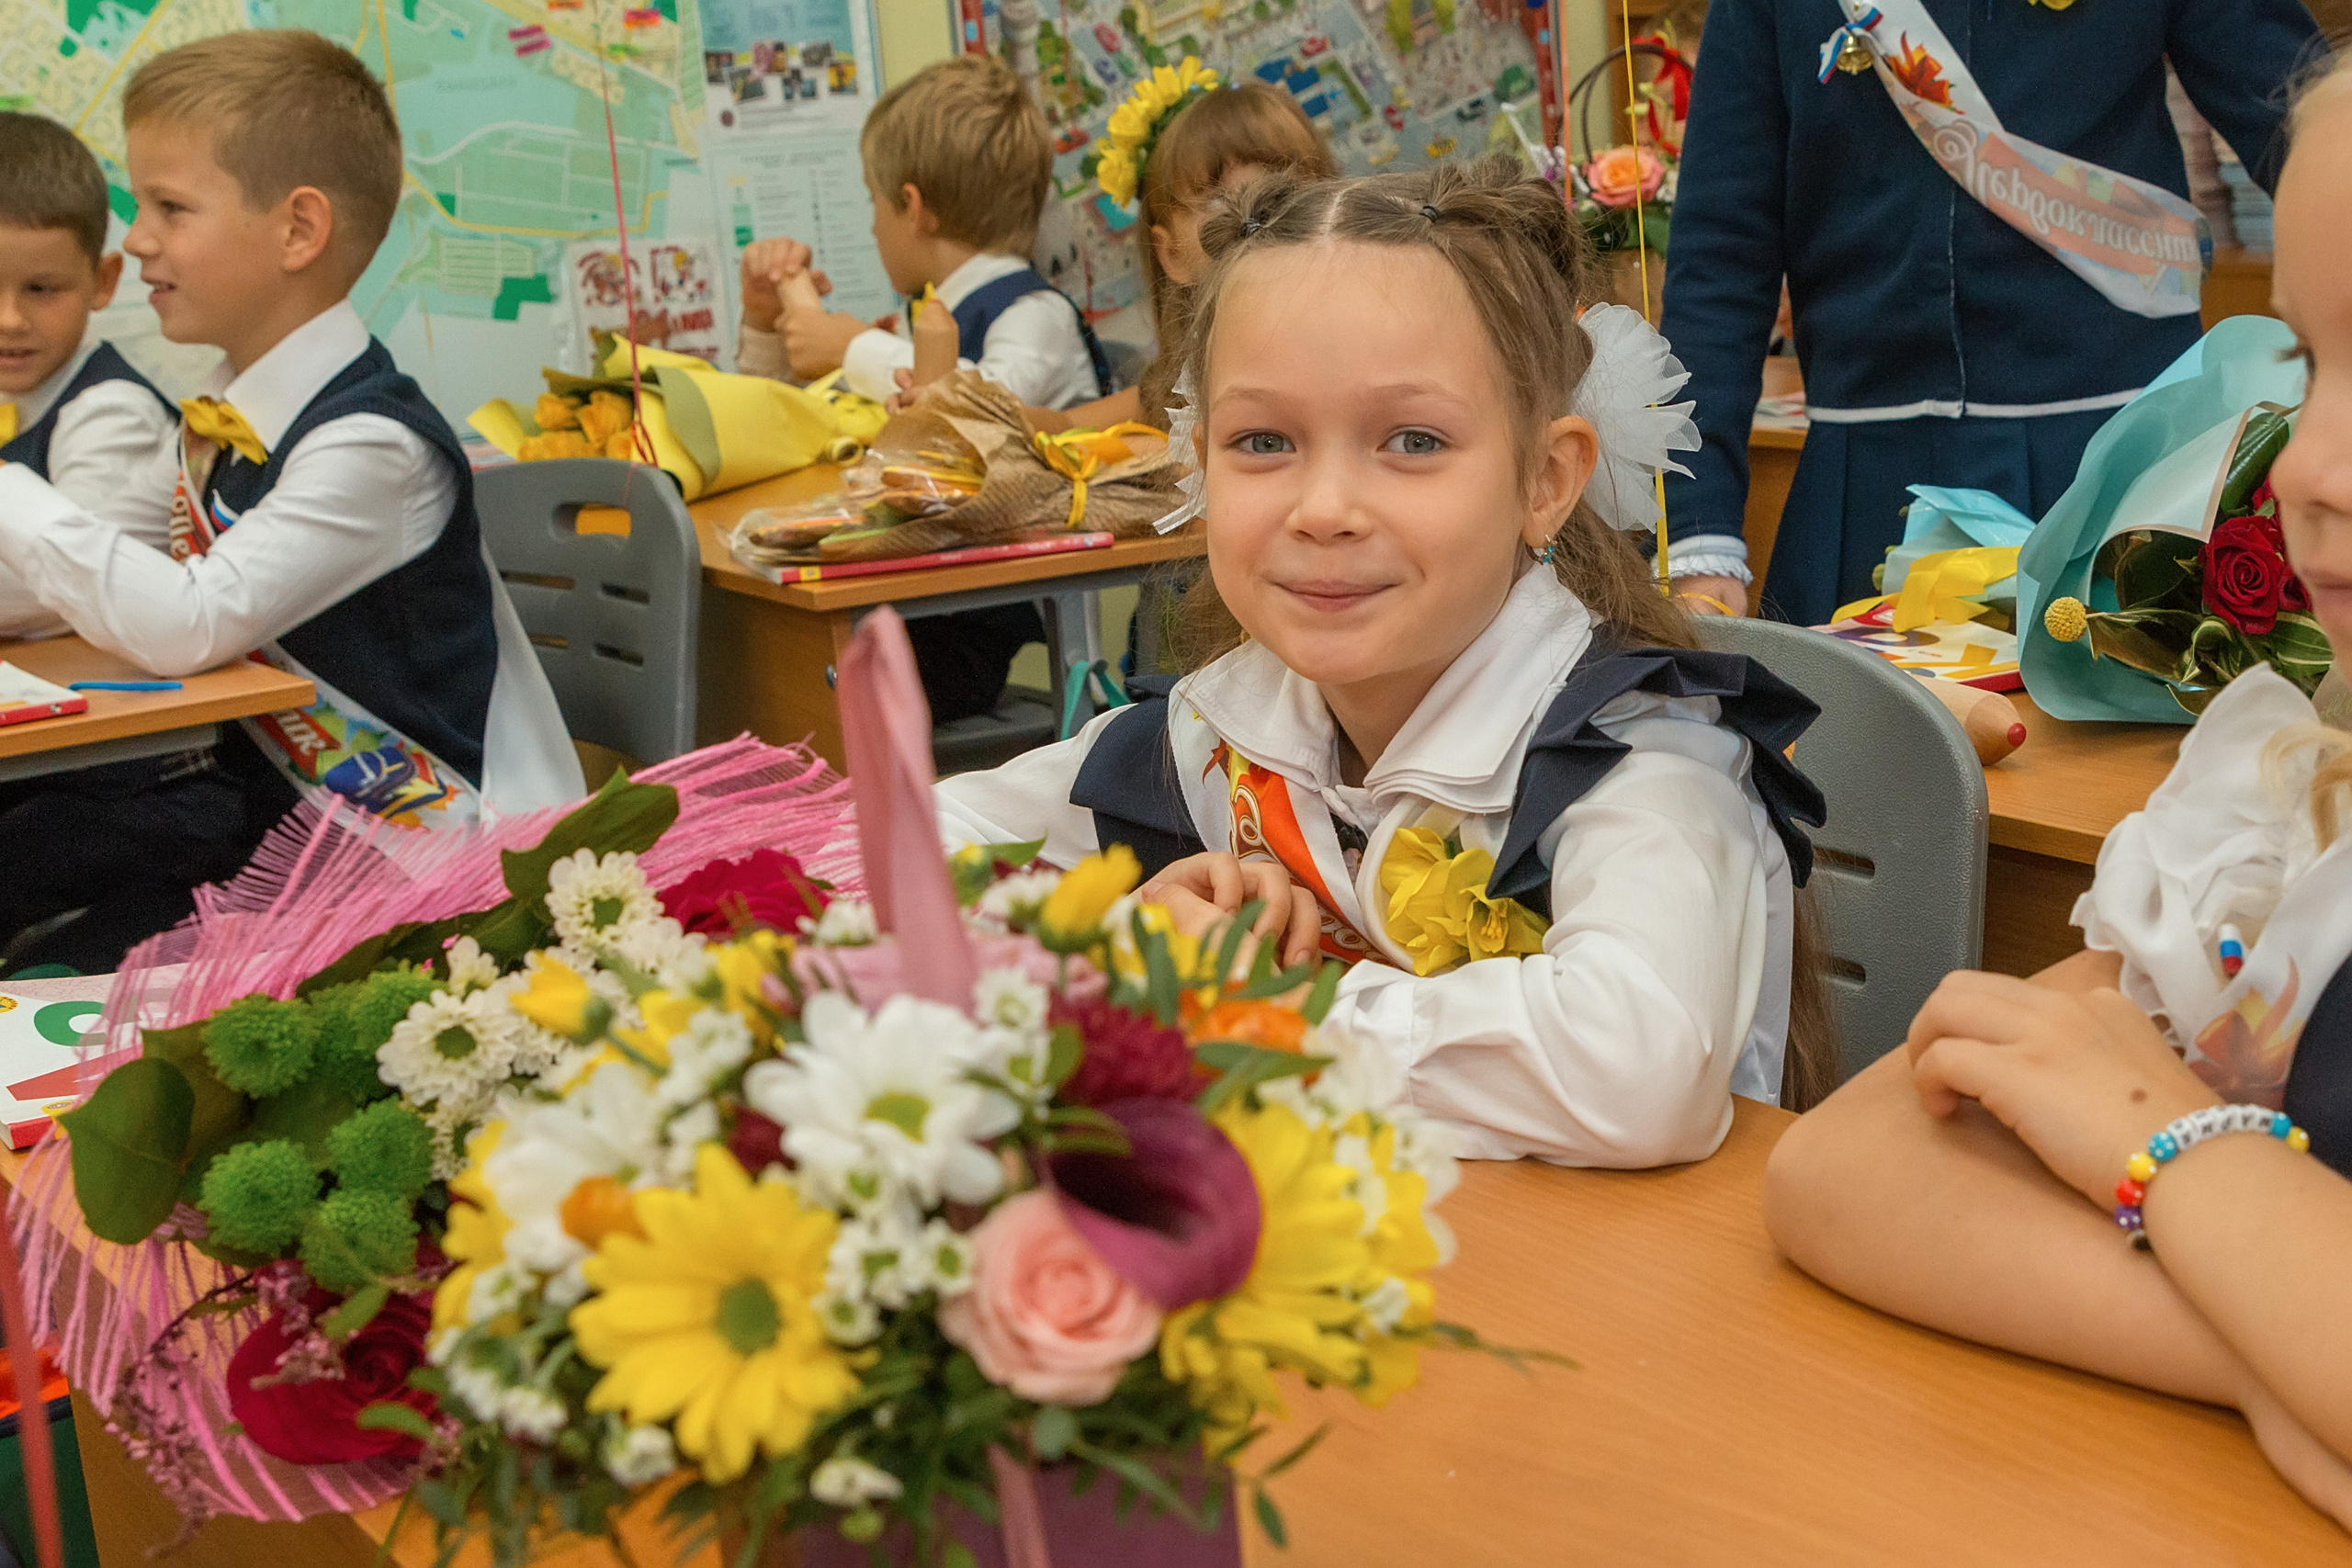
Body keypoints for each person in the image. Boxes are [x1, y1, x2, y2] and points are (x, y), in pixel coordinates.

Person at [937, 158, 1839, 1165]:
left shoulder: (1642, 759)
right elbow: (888, 855)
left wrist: (1241, 1005)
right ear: (1198, 466)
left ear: (1545, 480)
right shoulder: (1221, 727)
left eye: (1411, 440)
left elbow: (1637, 1072)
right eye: (1263, 441)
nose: (1324, 510)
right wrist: (1115, 940)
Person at [1762, 61, 2352, 1526]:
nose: (2309, 468)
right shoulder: (2293, 809)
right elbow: (1845, 1166)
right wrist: (2288, 1354)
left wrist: (2173, 1144)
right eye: (2309, 367)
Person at [0, 30, 582, 974]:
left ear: (298, 231)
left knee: (77, 970)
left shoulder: (370, 445)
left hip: (421, 860)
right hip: (286, 827)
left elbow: (191, 620)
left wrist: (7, 491)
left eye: (168, 207)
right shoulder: (224, 417)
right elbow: (82, 571)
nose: (137, 239)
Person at [1661, 0, 2324, 626]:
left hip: (2126, 466)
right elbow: (1721, 251)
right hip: (1866, 477)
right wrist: (1702, 530)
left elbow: (2312, 135)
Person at [736, 54, 1110, 726]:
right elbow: (798, 432)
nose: (872, 226)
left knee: (784, 686)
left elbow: (980, 418)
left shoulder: (1034, 316)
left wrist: (853, 349)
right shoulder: (927, 319)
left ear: (912, 207)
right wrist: (770, 325)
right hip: (901, 602)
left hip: (960, 634)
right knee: (755, 642)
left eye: (872, 202)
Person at [1028, 77, 1338, 434]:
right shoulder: (1185, 379)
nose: (1259, 210)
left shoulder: (1362, 344)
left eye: (1285, 187)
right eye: (1219, 200)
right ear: (1172, 254)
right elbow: (1065, 426)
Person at [0, 112, 178, 638]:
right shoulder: (18, 391)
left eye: (41, 289)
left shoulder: (112, 412)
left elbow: (66, 582)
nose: (9, 320)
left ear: (102, 282)